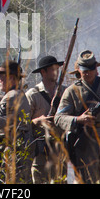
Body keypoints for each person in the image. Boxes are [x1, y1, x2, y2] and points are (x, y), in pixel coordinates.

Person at [54, 50, 100, 184]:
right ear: (78, 69)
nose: (88, 73)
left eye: (91, 69)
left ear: (96, 68)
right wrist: (78, 120)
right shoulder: (71, 91)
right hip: (85, 141)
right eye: (84, 70)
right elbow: (58, 118)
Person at [26, 55, 65, 183]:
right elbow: (21, 124)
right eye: (53, 69)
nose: (57, 72)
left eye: (57, 69)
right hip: (40, 153)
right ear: (43, 72)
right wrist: (37, 121)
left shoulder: (65, 92)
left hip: (61, 152)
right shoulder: (32, 94)